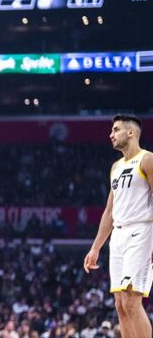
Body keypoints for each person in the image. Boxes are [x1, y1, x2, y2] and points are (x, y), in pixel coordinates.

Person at [84, 114, 151, 338]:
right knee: (120, 305)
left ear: (131, 133)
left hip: (142, 231)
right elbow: (109, 211)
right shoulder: (115, 167)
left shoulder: (147, 159)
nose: (111, 135)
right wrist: (95, 247)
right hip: (119, 236)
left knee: (132, 302)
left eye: (116, 130)